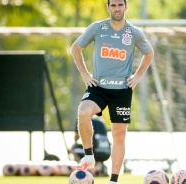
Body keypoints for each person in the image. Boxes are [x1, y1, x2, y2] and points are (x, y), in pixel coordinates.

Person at [71, 0, 154, 183]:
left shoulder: (133, 32)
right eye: (113, 5)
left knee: (119, 134)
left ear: (126, 7)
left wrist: (137, 76)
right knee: (83, 112)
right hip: (98, 87)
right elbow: (76, 48)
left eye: (120, 5)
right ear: (108, 7)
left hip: (122, 90)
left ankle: (114, 180)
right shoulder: (97, 28)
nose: (117, 9)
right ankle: (88, 155)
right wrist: (85, 74)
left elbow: (149, 53)